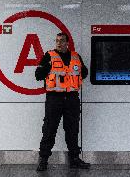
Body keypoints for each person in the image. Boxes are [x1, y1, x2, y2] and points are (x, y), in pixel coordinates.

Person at [35, 32, 90, 171]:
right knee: (49, 129)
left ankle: (74, 159)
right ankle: (43, 160)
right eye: (57, 41)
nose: (59, 43)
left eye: (62, 41)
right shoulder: (49, 56)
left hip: (72, 98)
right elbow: (38, 75)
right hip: (54, 98)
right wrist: (47, 68)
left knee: (72, 130)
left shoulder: (76, 56)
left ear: (67, 43)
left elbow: (84, 73)